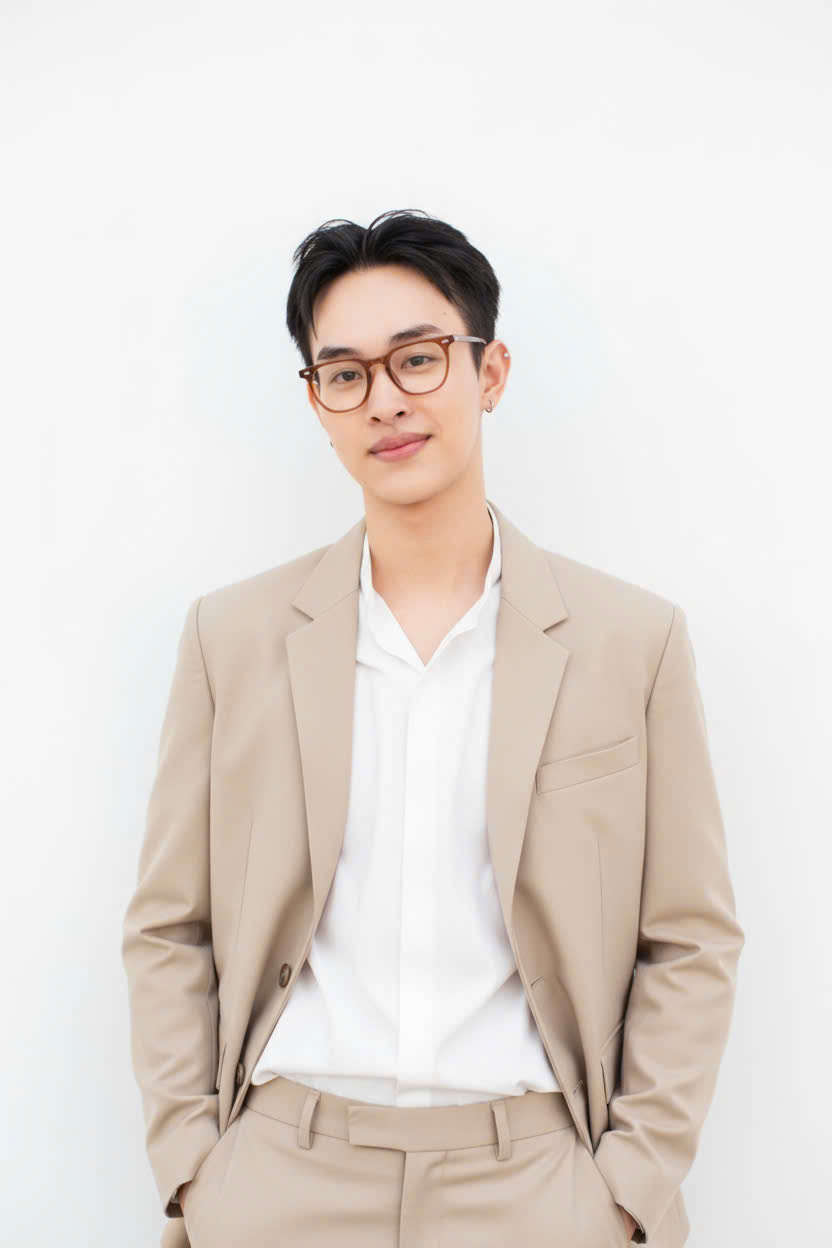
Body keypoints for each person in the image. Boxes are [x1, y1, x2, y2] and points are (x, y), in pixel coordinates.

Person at [121, 208, 744, 1247]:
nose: (386, 400)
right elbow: (169, 928)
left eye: (417, 358)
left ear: (489, 371)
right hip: (281, 1179)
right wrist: (196, 1170)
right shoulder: (231, 638)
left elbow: (688, 937)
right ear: (317, 403)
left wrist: (626, 1190)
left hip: (536, 1185)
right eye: (346, 374)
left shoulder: (631, 641)